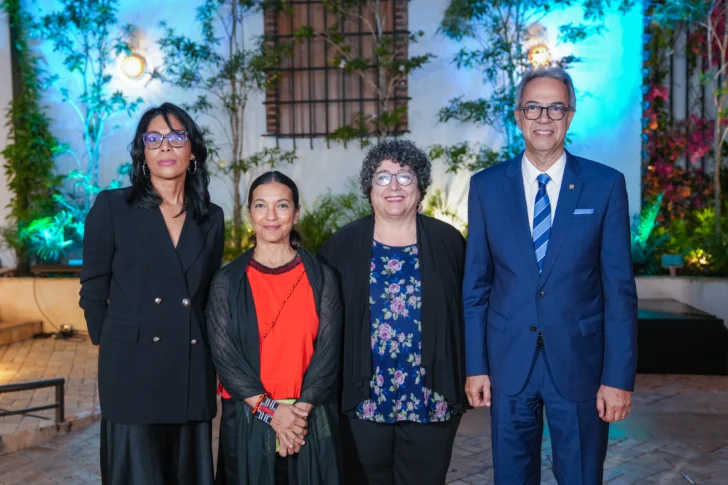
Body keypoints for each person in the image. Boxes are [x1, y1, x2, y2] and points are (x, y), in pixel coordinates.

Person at [463, 66, 638, 484]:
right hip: (508, 365)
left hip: (580, 364)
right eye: (533, 108)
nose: (544, 118)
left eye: (555, 108)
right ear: (519, 116)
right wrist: (476, 366)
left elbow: (619, 290)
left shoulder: (604, 185)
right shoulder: (486, 187)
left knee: (579, 475)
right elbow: (476, 286)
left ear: (571, 115)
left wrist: (617, 378)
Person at [79, 102, 225, 485]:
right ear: (142, 151)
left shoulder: (211, 216)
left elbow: (207, 294)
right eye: (154, 138)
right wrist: (111, 341)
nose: (165, 147)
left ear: (191, 150)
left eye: (176, 137)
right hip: (132, 368)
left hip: (190, 365)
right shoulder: (113, 207)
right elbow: (94, 286)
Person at [319, 140, 467, 485]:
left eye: (405, 176)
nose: (394, 187)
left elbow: (468, 313)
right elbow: (322, 322)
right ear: (368, 188)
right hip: (363, 397)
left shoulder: (448, 241)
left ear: (421, 186)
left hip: (430, 396)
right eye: (382, 178)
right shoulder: (341, 245)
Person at [207, 171, 342, 485]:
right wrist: (271, 411)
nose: (271, 216)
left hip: (310, 416)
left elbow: (328, 351)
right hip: (248, 416)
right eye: (260, 205)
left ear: (296, 214)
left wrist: (296, 417)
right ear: (250, 214)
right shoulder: (227, 282)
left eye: (282, 206)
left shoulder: (322, 277)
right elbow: (225, 358)